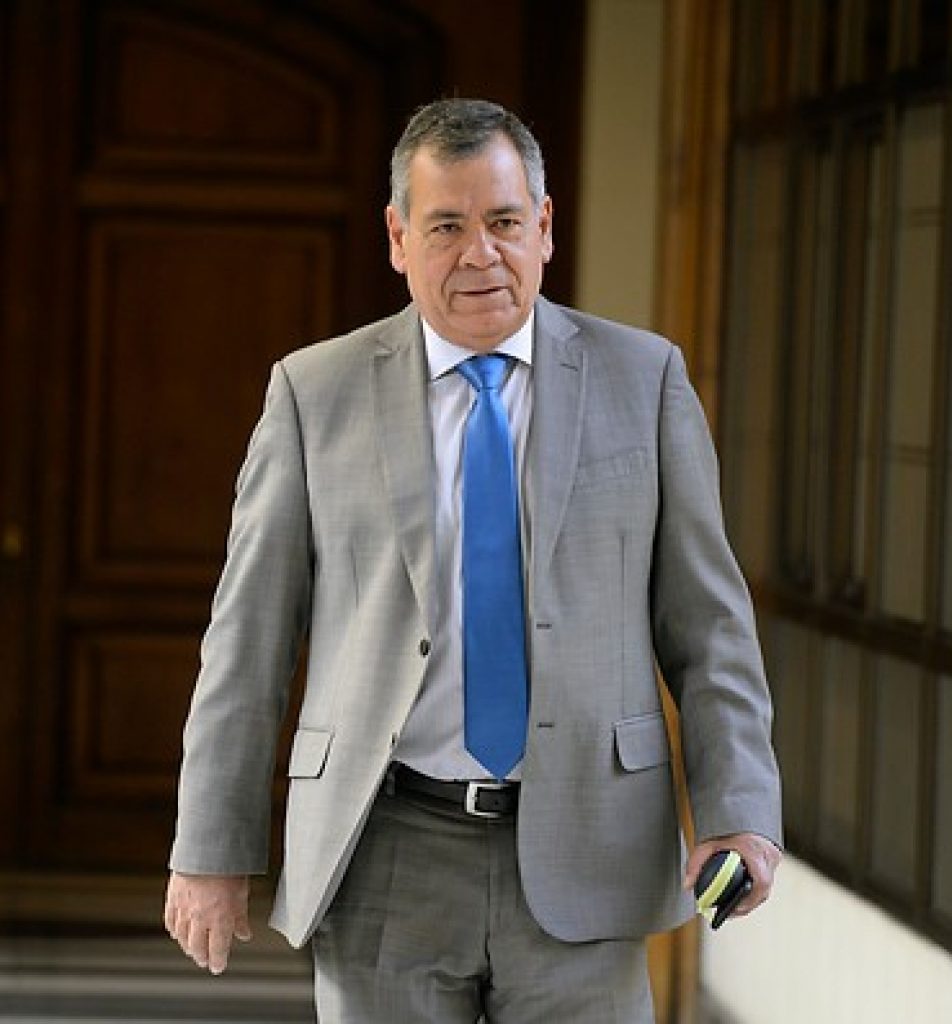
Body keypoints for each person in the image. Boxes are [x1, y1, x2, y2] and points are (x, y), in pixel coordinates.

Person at [164, 97, 783, 1023]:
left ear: (545, 226)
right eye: (446, 226)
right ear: (397, 238)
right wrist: (210, 848)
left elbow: (710, 629)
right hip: (385, 851)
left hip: (590, 846)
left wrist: (738, 812)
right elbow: (247, 641)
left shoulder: (645, 379)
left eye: (503, 222)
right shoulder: (313, 392)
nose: (480, 254)